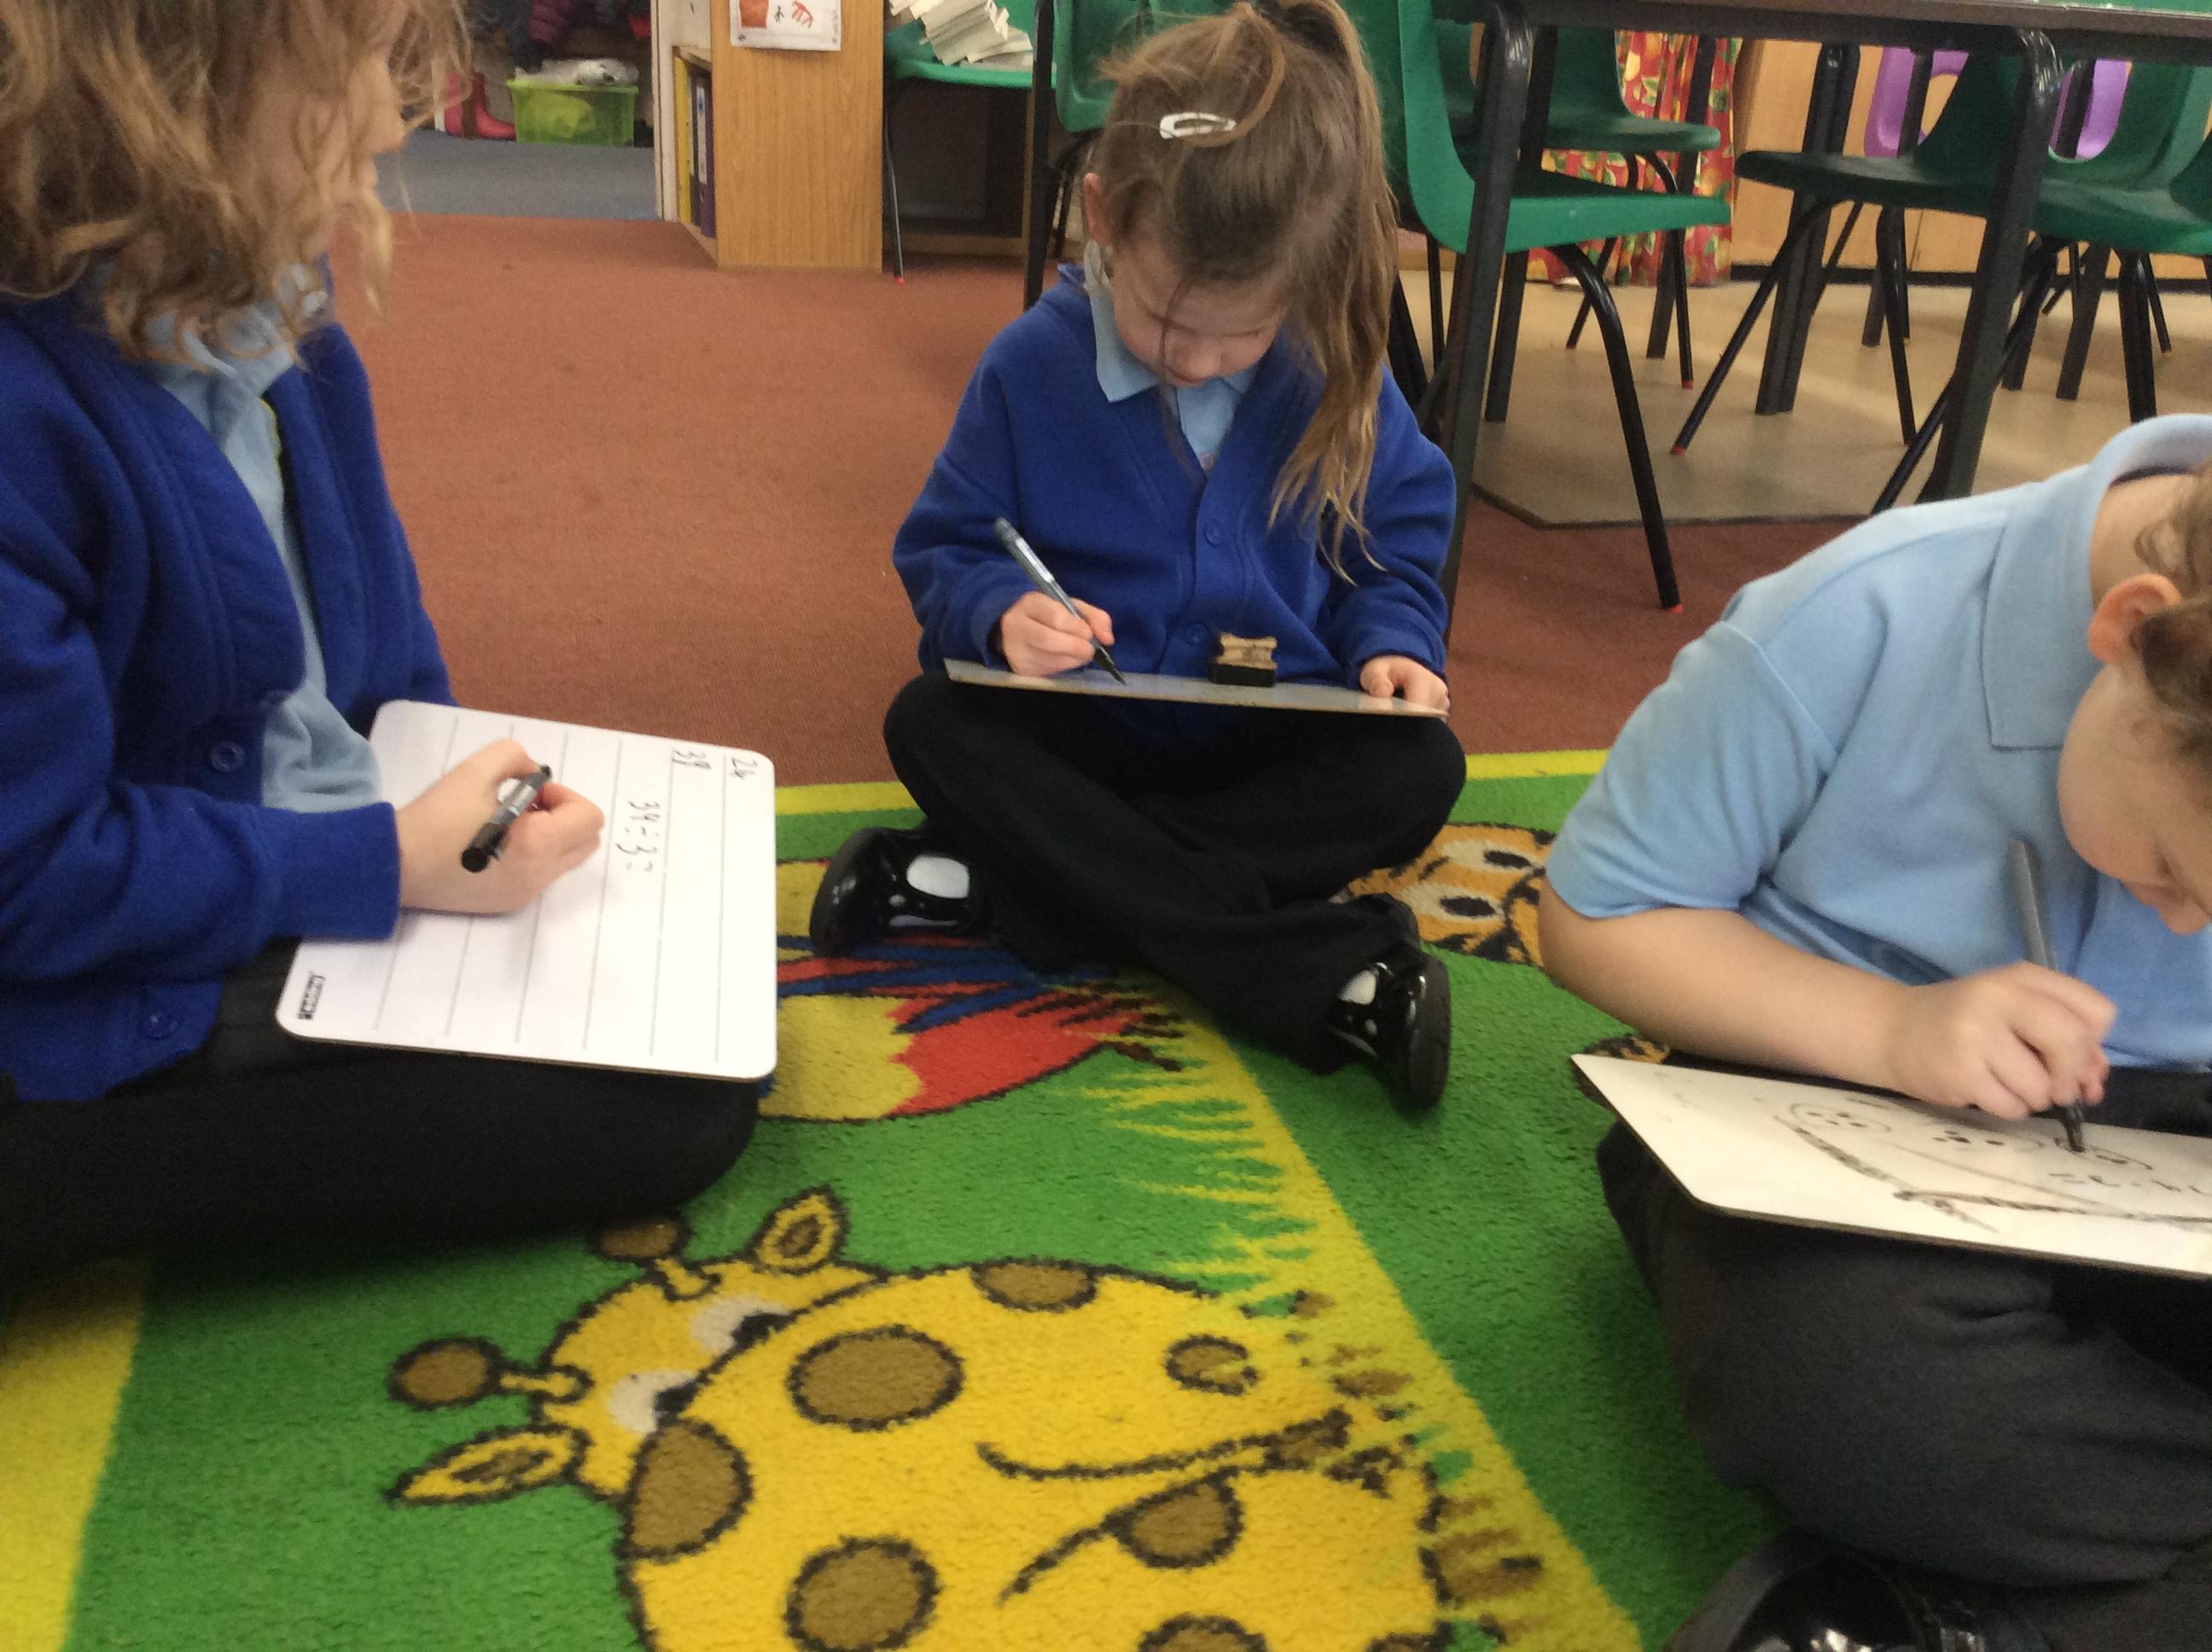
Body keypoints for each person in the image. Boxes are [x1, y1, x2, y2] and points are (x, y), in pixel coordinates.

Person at [0, 0, 756, 1289]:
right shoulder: (32, 413)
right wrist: (390, 864)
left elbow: (385, 659)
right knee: (667, 1108)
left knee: (692, 1009)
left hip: (303, 858)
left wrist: (469, 807)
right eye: (345, 68)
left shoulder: (277, 310)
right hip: (117, 949)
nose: (389, 119)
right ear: (164, 99)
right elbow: (33, 879)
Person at [1540, 416, 2212, 1652]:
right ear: (2129, 631)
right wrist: (1894, 1027)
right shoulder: (1862, 613)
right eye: (2174, 868)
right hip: (1823, 1117)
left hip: (2168, 1161)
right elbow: (1598, 915)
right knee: (1856, 1395)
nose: (2180, 925)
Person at [809, 0, 1466, 1109]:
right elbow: (950, 544)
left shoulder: (1337, 368)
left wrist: (1393, 643)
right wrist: (998, 611)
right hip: (1088, 739)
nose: (1197, 360)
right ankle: (1310, 970)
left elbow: (1390, 548)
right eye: (1166, 321)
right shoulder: (1030, 367)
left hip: (1267, 750)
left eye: (1241, 333)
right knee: (930, 722)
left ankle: (1011, 895)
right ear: (1103, 216)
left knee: (1422, 766)